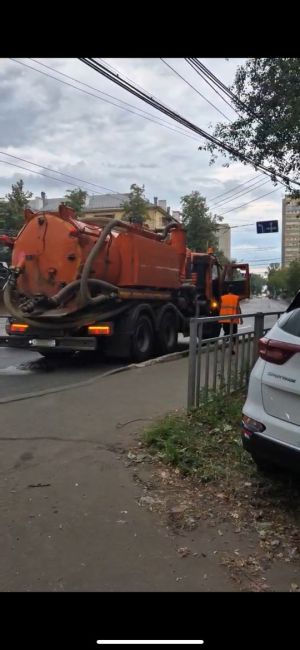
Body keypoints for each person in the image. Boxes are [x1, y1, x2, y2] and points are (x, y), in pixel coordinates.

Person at [219, 284, 243, 353]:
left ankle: (223, 347)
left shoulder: (223, 297)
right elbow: (238, 309)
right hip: (233, 320)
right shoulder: (236, 298)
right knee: (233, 335)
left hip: (225, 319)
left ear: (228, 290)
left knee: (226, 333)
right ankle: (231, 350)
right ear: (234, 291)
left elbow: (221, 308)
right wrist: (241, 319)